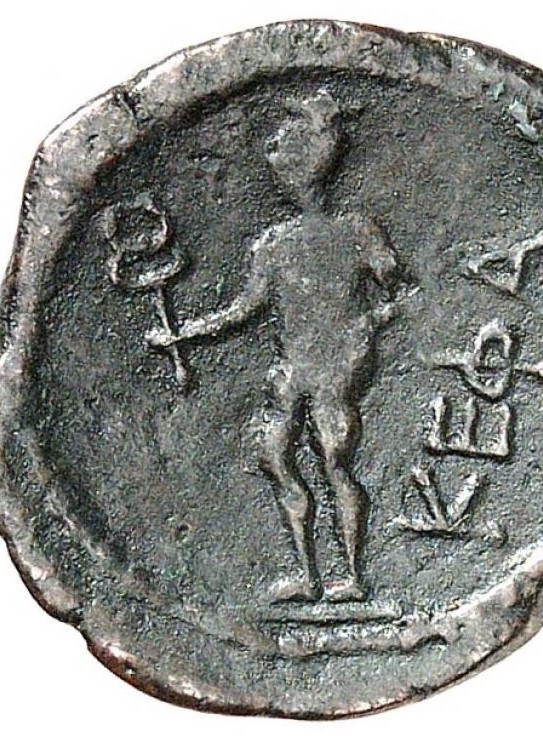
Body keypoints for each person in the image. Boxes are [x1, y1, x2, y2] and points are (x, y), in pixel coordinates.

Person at [147, 90, 401, 603]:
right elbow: (244, 310)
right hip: (292, 368)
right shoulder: (274, 244)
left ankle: (352, 577)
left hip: (336, 366)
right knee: (273, 456)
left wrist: (368, 325)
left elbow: (403, 291)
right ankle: (309, 576)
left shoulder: (356, 231)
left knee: (334, 462)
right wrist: (183, 333)